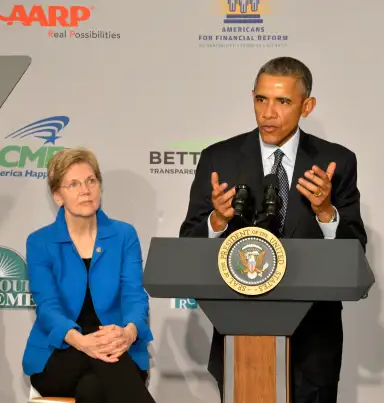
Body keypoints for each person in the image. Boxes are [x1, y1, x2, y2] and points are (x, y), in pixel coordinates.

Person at [179, 56, 367, 403]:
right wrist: (217, 221)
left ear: (306, 106)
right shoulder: (218, 159)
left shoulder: (336, 161)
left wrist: (326, 211)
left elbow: (355, 251)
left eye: (282, 102)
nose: (268, 113)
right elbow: (188, 244)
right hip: (240, 330)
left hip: (314, 334)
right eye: (261, 99)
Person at [22, 148, 156, 403]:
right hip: (61, 354)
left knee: (92, 390)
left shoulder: (123, 235)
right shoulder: (40, 242)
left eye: (91, 181)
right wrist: (84, 343)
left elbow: (134, 295)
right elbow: (48, 308)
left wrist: (128, 333)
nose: (85, 190)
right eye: (73, 184)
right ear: (58, 196)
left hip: (118, 347)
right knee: (109, 365)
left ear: (99, 186)